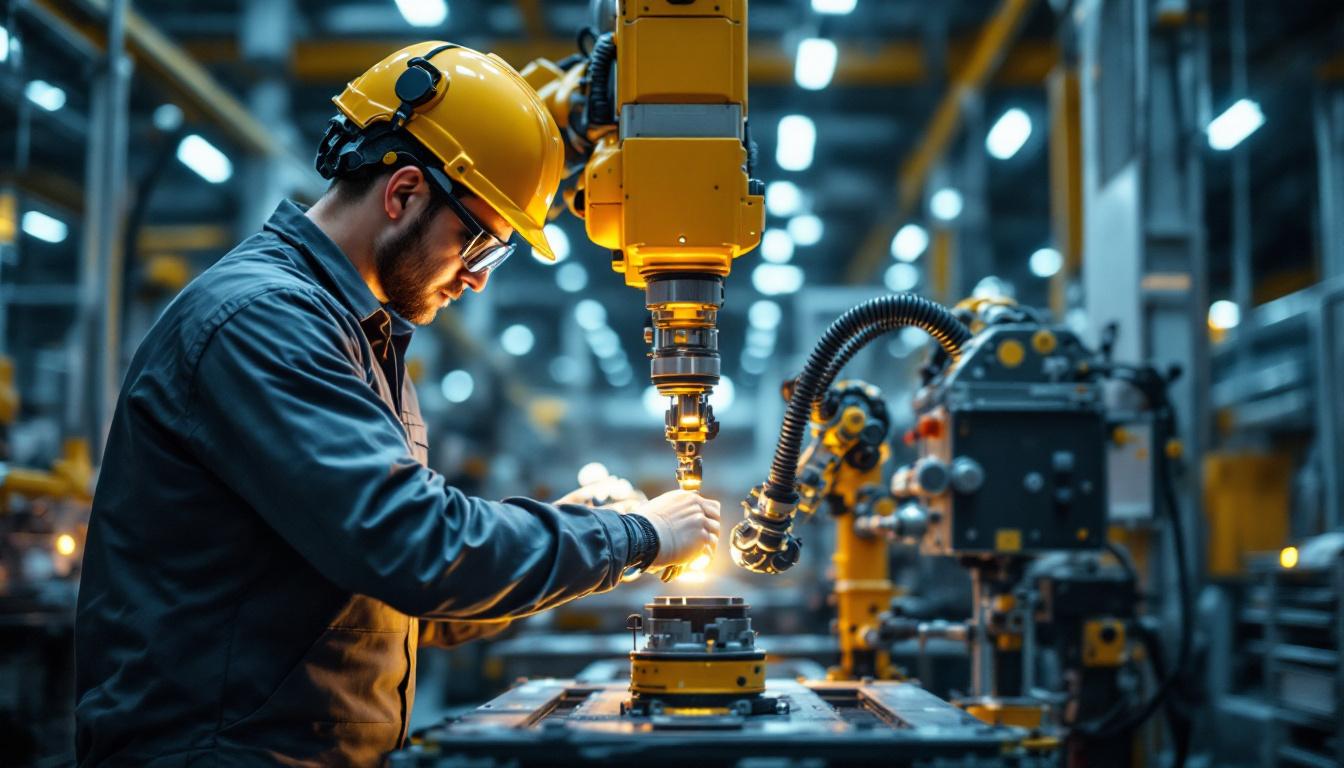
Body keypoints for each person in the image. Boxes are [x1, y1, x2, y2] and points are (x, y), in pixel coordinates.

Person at [74, 42, 720, 766]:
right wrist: (631, 537)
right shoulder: (263, 322)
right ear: (404, 193)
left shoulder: (362, 338)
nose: (475, 280)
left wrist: (577, 532)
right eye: (476, 246)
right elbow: (415, 548)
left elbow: (402, 601)